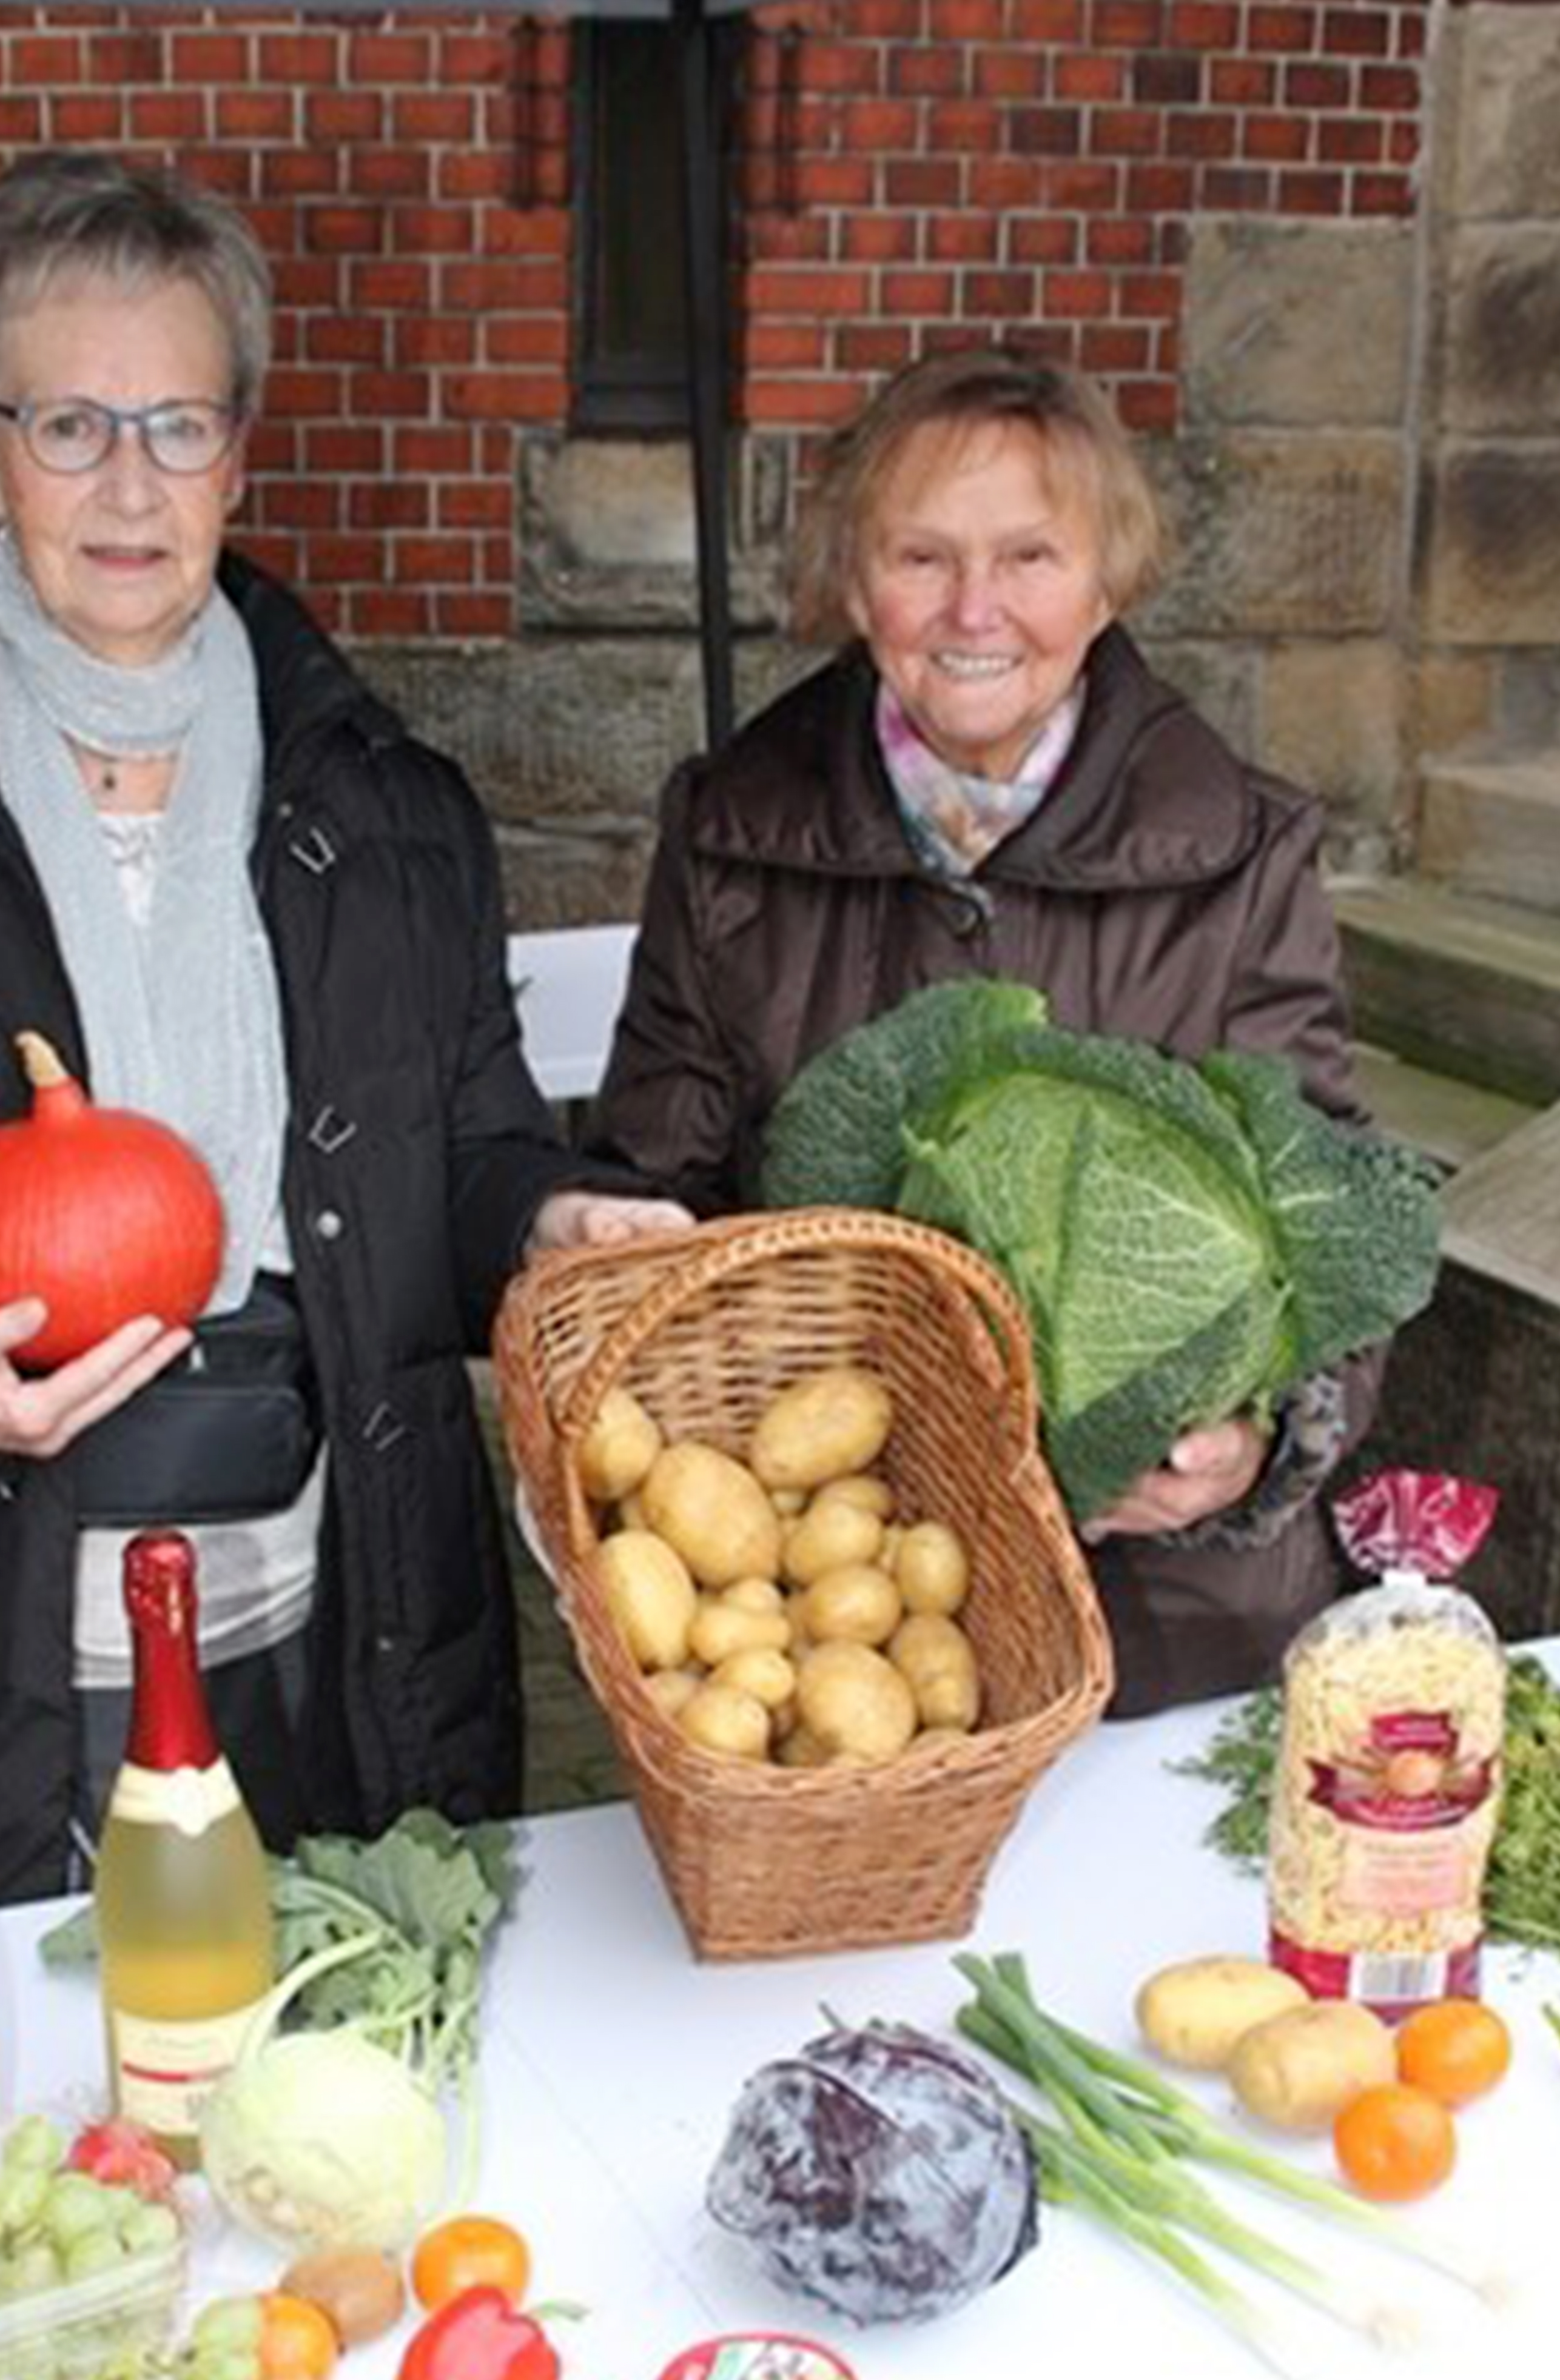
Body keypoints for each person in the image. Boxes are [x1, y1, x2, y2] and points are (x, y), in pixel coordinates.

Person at [0, 150, 682, 1907]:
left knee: (328, 2098)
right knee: (9, 2158)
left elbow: (468, 1148)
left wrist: (548, 1216)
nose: (127, 484)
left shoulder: (391, 803)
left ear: (236, 451)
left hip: (337, 1644)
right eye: (68, 425)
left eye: (177, 425)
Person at [588, 346, 1378, 1716]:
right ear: (852, 577)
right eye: (921, 557)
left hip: (1172, 1609)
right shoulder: (729, 833)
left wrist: (1259, 1440)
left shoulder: (1245, 845)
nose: (974, 610)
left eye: (1029, 556)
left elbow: (1333, 1211)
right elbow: (658, 1181)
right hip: (854, 1601)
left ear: (1108, 575)